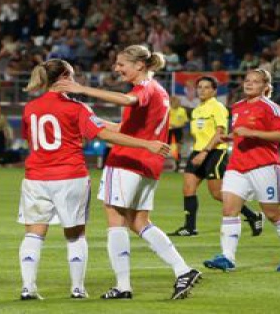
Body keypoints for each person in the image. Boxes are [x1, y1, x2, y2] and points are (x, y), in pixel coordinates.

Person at [18, 59, 171, 300]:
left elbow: (29, 138)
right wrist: (146, 144)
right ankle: (77, 288)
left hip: (36, 177)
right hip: (70, 175)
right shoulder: (77, 108)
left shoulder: (30, 108)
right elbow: (104, 134)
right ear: (67, 76)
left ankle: (28, 288)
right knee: (75, 235)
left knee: (34, 234)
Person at [57, 45, 201, 300]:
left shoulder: (144, 87)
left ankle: (123, 285)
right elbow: (129, 127)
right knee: (139, 222)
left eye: (121, 64)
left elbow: (127, 100)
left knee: (115, 219)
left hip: (128, 159)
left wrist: (81, 90)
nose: (116, 68)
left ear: (139, 65)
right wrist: (95, 122)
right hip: (148, 163)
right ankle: (183, 269)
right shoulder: (160, 91)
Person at [204, 69, 280, 273]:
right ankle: (228, 258)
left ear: (265, 86)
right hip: (237, 166)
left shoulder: (271, 107)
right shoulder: (238, 106)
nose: (249, 84)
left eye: (255, 82)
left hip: (264, 166)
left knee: (273, 214)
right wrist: (231, 137)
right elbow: (242, 133)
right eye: (247, 80)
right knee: (229, 210)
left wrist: (252, 133)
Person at [170, 76, 263, 237]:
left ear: (214, 90)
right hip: (198, 151)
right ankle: (190, 228)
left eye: (206, 87)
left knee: (217, 194)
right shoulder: (198, 109)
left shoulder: (218, 107)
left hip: (214, 152)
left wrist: (205, 152)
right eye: (200, 87)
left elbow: (220, 133)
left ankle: (253, 216)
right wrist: (198, 151)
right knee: (188, 189)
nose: (202, 90)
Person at [168, 96, 188, 171]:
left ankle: (177, 166)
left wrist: (177, 126)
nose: (178, 103)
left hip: (178, 131)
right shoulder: (168, 110)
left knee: (178, 149)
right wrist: (171, 125)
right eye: (176, 101)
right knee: (164, 148)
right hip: (169, 131)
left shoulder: (182, 110)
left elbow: (185, 122)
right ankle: (158, 164)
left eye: (178, 102)